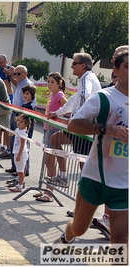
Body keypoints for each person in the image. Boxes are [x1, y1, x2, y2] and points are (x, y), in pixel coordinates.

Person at [55, 50, 128, 245]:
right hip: (96, 178)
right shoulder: (104, 97)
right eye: (127, 66)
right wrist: (107, 129)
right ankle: (67, 235)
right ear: (116, 70)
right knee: (79, 229)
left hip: (124, 183)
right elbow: (74, 124)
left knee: (121, 238)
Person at [44, 53, 101, 202]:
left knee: (85, 169)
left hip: (84, 129)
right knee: (55, 139)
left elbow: (84, 96)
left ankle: (85, 204)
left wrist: (77, 119)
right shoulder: (84, 78)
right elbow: (74, 100)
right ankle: (63, 176)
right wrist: (57, 113)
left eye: (74, 63)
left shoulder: (87, 78)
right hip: (80, 128)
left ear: (83, 65)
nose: (71, 66)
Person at [34, 72, 68, 201]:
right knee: (47, 161)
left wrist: (58, 116)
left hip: (54, 130)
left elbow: (68, 107)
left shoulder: (59, 94)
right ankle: (46, 189)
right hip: (47, 129)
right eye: (48, 81)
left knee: (50, 161)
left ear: (59, 83)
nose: (49, 84)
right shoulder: (52, 95)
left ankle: (49, 193)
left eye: (52, 82)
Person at [5, 65, 35, 173]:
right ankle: (15, 167)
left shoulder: (28, 85)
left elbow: (32, 103)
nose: (16, 76)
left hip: (23, 116)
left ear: (25, 74)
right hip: (16, 113)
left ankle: (23, 170)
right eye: (15, 73)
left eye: (19, 73)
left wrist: (25, 117)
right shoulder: (20, 84)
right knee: (14, 142)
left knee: (23, 144)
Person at [6, 85, 36, 187]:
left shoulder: (30, 106)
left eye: (27, 93)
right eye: (24, 93)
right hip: (20, 131)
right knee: (22, 152)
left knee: (23, 153)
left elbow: (29, 120)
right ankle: (20, 176)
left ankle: (21, 177)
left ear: (32, 95)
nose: (25, 95)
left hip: (25, 132)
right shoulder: (25, 104)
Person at [8, 113, 31, 192]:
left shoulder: (23, 133)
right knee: (21, 169)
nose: (18, 123)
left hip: (20, 153)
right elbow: (13, 133)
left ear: (25, 124)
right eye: (18, 120)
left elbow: (22, 145)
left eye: (21, 121)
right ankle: (20, 183)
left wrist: (19, 155)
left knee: (20, 171)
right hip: (17, 151)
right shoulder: (18, 130)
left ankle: (19, 186)